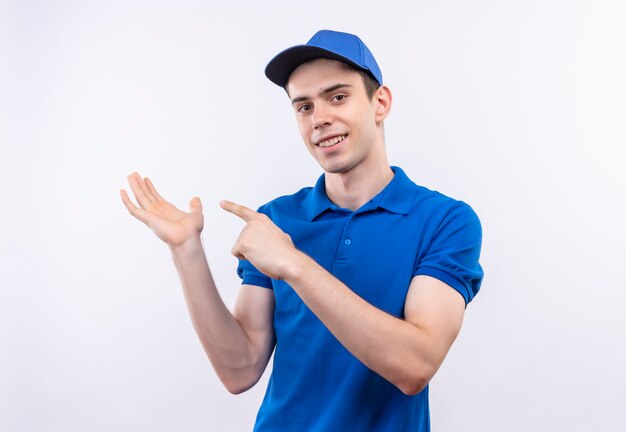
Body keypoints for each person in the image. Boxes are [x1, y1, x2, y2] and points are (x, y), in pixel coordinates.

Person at [120, 29, 483, 432]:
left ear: (380, 103)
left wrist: (294, 264)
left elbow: (415, 366)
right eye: (303, 106)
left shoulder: (445, 221)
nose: (320, 118)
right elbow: (239, 370)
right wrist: (186, 251)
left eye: (338, 97)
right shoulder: (276, 220)